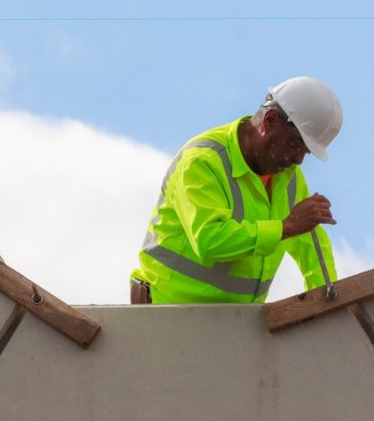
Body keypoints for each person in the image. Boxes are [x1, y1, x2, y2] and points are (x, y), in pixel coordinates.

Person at [130, 76, 343, 304]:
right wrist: (285, 227)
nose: (298, 160)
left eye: (306, 152)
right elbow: (210, 239)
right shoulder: (203, 161)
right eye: (295, 144)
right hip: (166, 313)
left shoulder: (289, 178)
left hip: (237, 320)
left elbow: (311, 244)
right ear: (270, 120)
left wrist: (326, 301)